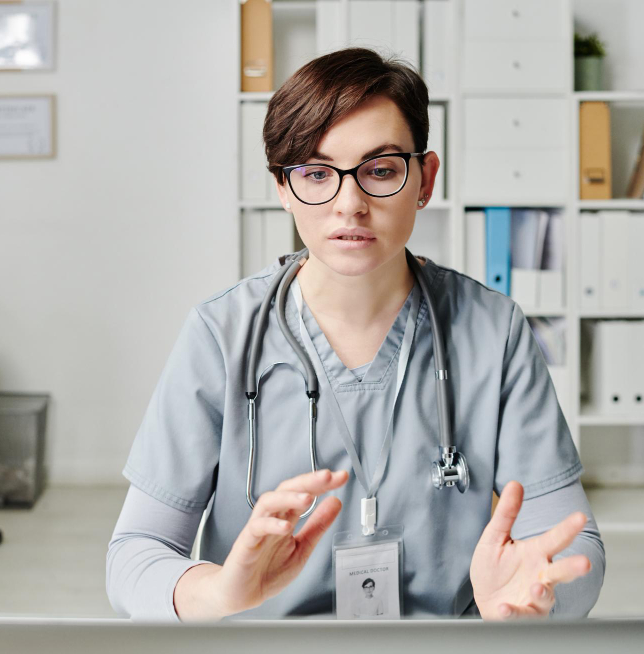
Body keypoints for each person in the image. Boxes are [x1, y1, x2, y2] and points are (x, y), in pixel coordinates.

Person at [106, 47, 605, 621]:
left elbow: (572, 546)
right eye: (317, 173)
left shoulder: (495, 331)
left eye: (381, 170)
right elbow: (134, 554)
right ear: (282, 186)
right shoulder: (221, 334)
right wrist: (216, 593)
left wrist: (527, 608)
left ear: (426, 178)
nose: (350, 204)